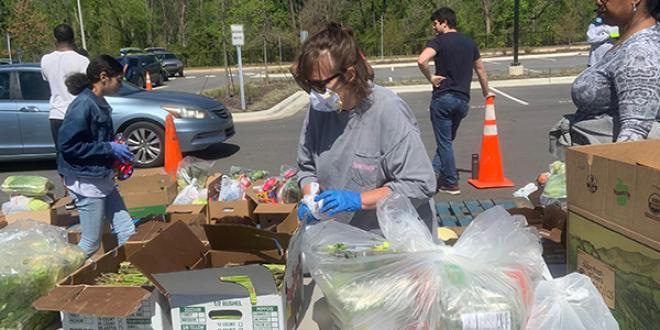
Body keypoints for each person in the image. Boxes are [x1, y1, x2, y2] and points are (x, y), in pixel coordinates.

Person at [293, 23, 437, 234]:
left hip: (391, 242)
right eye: (309, 86)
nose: (315, 94)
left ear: (349, 75)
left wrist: (357, 200)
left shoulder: (388, 111)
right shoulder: (319, 110)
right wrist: (310, 195)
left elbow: (420, 184)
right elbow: (307, 168)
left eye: (320, 85)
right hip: (342, 240)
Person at [551, 0, 660, 157]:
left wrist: (608, 175)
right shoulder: (631, 39)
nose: (598, 2)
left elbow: (633, 135)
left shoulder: (640, 52)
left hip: (605, 169)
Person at [58, 55, 136, 257]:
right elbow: (68, 145)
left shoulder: (98, 100)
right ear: (104, 77)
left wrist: (116, 160)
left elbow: (100, 140)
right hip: (86, 181)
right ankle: (61, 278)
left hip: (101, 177)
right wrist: (109, 149)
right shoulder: (83, 104)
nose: (121, 85)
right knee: (90, 243)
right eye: (118, 80)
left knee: (127, 230)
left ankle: (134, 277)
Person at [417, 7, 492, 195]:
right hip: (462, 101)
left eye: (435, 23)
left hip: (443, 98)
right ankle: (433, 171)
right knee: (447, 140)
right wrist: (486, 92)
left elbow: (421, 60)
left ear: (445, 22)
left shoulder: (439, 42)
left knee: (445, 142)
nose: (434, 27)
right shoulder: (469, 43)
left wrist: (431, 78)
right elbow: (481, 69)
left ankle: (450, 183)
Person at [41, 24, 90, 150]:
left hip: (56, 114)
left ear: (55, 39)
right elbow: (88, 87)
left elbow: (47, 79)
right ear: (73, 39)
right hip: (78, 113)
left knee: (62, 154)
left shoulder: (45, 60)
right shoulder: (82, 60)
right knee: (82, 153)